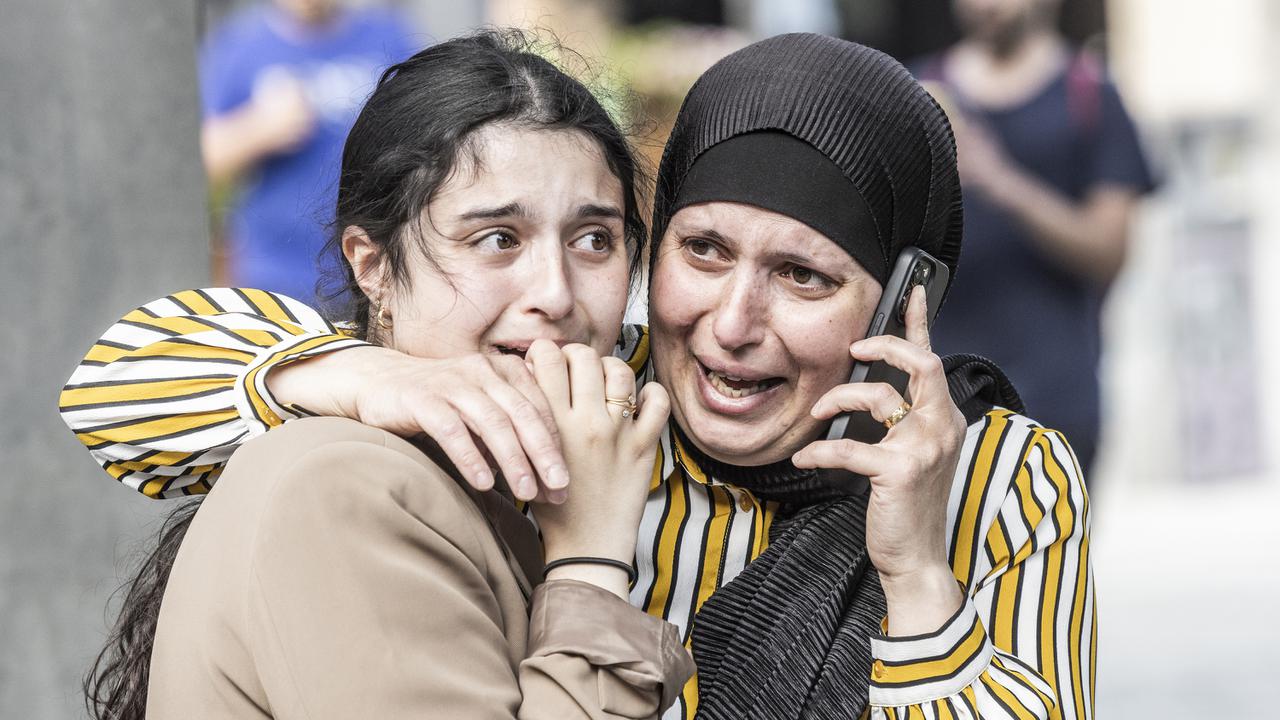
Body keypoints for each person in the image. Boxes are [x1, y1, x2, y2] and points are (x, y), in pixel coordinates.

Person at [64, 34, 1094, 719]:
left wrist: (917, 581)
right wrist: (355, 373)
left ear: (900, 299)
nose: (732, 324)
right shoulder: (584, 401)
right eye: (701, 252)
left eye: (801, 275)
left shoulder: (999, 478)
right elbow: (110, 389)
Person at [75, 32, 693, 720]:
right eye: (498, 239)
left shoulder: (608, 410)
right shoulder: (345, 482)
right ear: (372, 267)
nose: (556, 292)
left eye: (593, 240)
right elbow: (105, 387)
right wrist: (591, 562)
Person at [915, 0, 1156, 475]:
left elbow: (1110, 251)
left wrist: (999, 181)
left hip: (1057, 399)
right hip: (936, 397)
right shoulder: (919, 89)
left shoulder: (1090, 95)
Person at [201, 0, 416, 302]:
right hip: (274, 276)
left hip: (372, 268)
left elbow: (425, 138)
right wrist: (258, 128)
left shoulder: (388, 36)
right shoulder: (240, 46)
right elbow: (199, 163)